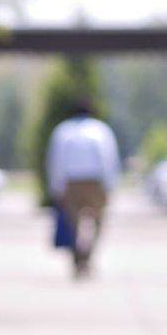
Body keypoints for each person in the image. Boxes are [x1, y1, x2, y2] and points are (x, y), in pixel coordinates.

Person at [45, 100, 120, 277]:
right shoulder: (100, 130)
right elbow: (108, 158)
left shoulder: (63, 131)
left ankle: (76, 258)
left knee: (72, 224)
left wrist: (56, 186)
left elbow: (55, 160)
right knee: (98, 222)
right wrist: (110, 184)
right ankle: (88, 256)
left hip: (71, 182)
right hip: (94, 182)